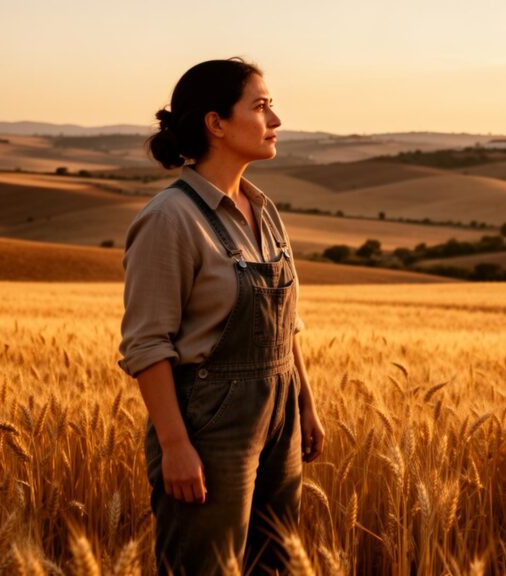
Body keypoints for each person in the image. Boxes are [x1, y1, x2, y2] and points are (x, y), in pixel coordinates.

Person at [117, 58, 326, 575]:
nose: (275, 120)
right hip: (210, 424)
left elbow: (286, 320)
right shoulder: (170, 218)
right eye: (260, 107)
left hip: (280, 415)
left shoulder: (263, 208)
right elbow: (147, 345)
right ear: (216, 123)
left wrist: (305, 402)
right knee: (206, 567)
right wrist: (175, 447)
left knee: (274, 566)